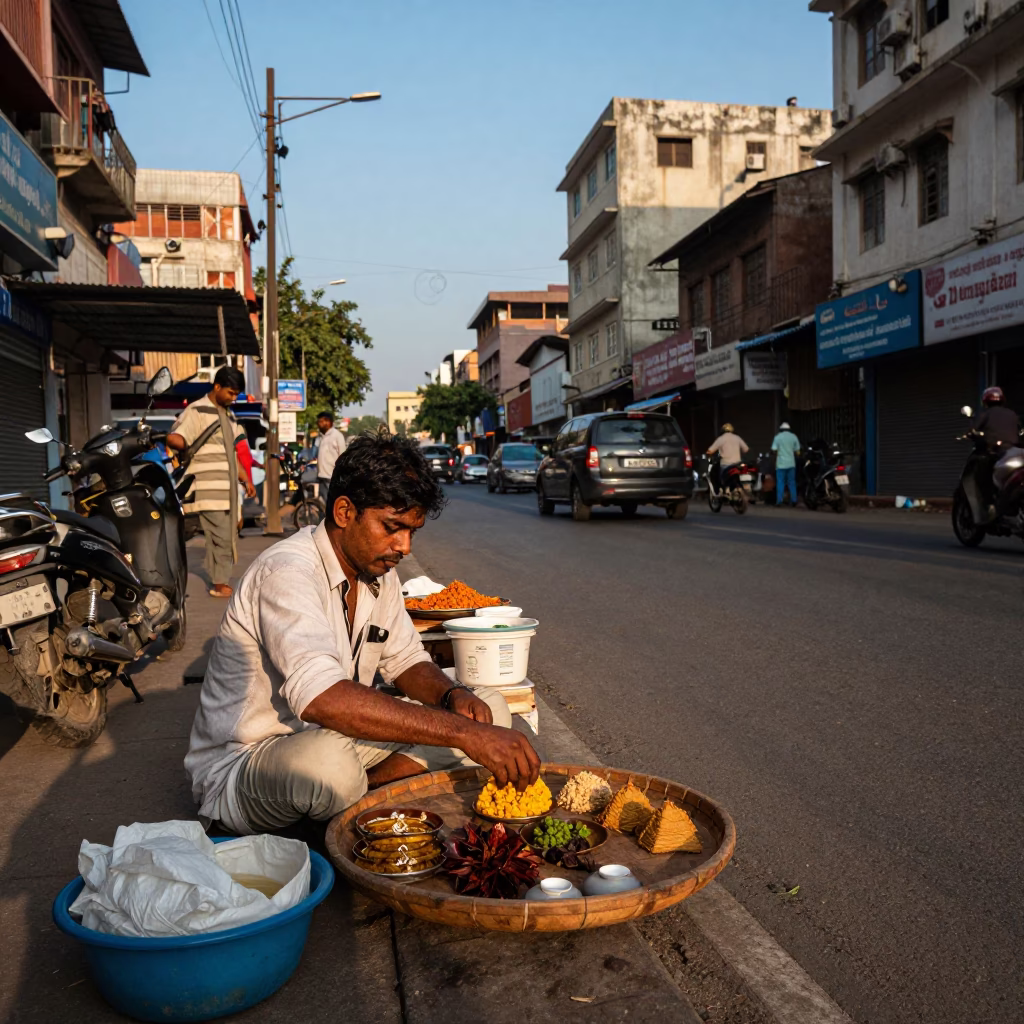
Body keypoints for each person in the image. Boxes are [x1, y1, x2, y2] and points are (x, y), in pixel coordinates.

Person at [184, 429, 541, 836]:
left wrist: (452, 697)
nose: (404, 546)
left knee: (489, 707)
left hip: (338, 739)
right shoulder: (287, 572)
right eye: (392, 527)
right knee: (332, 763)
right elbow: (324, 701)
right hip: (250, 763)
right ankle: (349, 802)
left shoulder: (377, 574)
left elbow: (406, 660)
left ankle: (361, 797)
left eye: (412, 531)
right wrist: (464, 733)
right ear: (343, 512)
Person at [166, 367, 256, 598]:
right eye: (231, 392)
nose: (233, 398)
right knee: (221, 536)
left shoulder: (228, 415)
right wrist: (175, 441)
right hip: (206, 488)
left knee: (229, 533)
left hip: (227, 490)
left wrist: (245, 479)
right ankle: (219, 582)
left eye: (236, 394)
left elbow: (232, 453)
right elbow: (177, 437)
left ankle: (219, 578)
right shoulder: (196, 410)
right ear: (217, 387)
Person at [315, 411, 347, 504]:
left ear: (328, 422)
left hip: (331, 477)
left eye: (321, 422)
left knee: (331, 504)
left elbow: (342, 456)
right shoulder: (322, 437)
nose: (319, 424)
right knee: (323, 504)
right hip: (321, 476)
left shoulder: (337, 436)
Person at [707, 423, 749, 488]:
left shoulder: (721, 438)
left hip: (726, 464)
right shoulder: (737, 437)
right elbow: (746, 449)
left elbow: (710, 451)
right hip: (738, 464)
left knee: (720, 479)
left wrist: (709, 455)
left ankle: (721, 490)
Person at [771, 421, 802, 507]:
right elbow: (798, 451)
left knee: (780, 482)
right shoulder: (793, 437)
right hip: (791, 464)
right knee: (791, 482)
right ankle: (794, 500)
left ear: (781, 429)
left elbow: (774, 450)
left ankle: (779, 501)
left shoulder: (777, 437)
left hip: (780, 464)